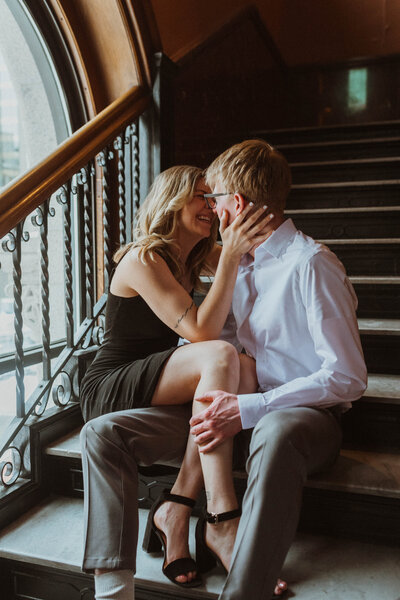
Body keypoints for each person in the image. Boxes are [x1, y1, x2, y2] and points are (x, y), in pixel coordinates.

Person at [79, 165, 282, 600]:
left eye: (213, 198)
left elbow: (260, 255)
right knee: (223, 354)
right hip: (113, 383)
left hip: (159, 381)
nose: (209, 206)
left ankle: (175, 508)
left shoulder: (193, 261)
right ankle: (223, 519)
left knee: (244, 370)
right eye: (199, 196)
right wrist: (227, 257)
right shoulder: (143, 257)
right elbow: (201, 334)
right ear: (171, 199)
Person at [189, 139, 368, 600]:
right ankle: (175, 513)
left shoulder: (312, 263)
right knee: (111, 431)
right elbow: (218, 355)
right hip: (249, 408)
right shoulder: (239, 269)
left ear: (238, 203)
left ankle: (243, 593)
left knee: (274, 430)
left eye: (214, 199)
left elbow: (348, 376)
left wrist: (254, 406)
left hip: (309, 420)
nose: (211, 210)